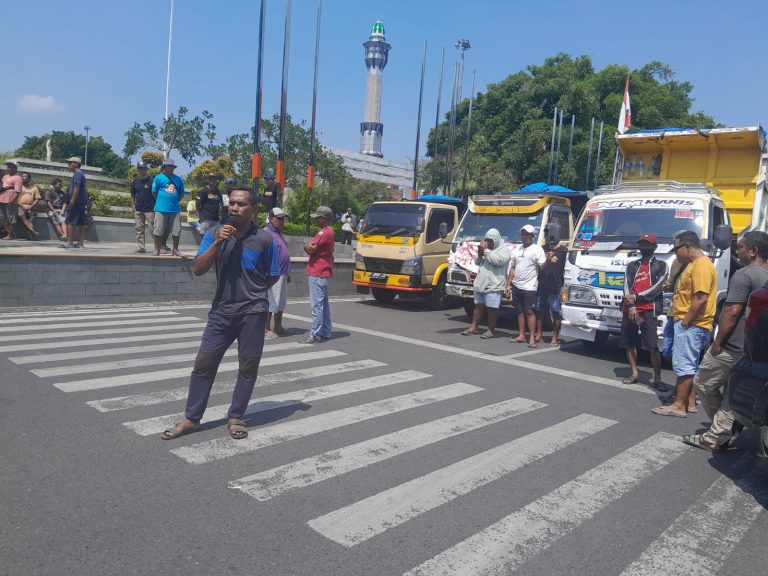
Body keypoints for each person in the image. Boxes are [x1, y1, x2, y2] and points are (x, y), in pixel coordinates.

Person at [161, 186, 280, 441]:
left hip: (253, 312)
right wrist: (217, 243)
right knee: (204, 364)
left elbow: (273, 274)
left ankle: (236, 416)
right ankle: (192, 419)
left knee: (248, 367)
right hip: (221, 312)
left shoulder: (265, 240)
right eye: (232, 203)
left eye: (241, 204)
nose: (235, 208)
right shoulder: (215, 233)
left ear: (254, 209)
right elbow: (198, 268)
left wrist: (253, 292)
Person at [683, 231, 768, 450]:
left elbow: (731, 311)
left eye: (740, 247)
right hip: (754, 350)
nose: (737, 251)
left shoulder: (743, 275)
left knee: (703, 383)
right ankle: (720, 433)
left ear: (752, 251)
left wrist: (718, 342)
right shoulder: (765, 275)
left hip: (732, 346)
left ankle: (724, 428)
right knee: (731, 391)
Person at [652, 230, 716, 417]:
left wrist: (686, 322)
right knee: (685, 363)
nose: (675, 253)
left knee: (686, 365)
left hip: (691, 324)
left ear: (687, 246)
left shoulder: (702, 266)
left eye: (676, 248)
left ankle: (679, 405)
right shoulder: (692, 264)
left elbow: (700, 297)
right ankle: (685, 401)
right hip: (687, 322)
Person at [619, 233, 668, 385]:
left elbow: (658, 287)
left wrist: (637, 297)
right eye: (642, 244)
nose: (644, 247)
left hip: (649, 309)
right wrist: (632, 306)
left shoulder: (661, 265)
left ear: (654, 247)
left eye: (647, 244)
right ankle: (634, 374)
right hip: (631, 310)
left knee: (652, 346)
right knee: (630, 344)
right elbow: (626, 286)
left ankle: (658, 378)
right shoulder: (632, 265)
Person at [461, 228, 510, 339]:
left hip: (494, 285)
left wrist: (486, 251)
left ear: (496, 240)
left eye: (490, 241)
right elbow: (477, 262)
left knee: (492, 309)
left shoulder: (504, 250)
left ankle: (490, 330)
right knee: (478, 307)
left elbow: (498, 261)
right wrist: (479, 253)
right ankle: (473, 327)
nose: (488, 243)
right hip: (481, 283)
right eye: (486, 240)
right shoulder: (486, 250)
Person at [505, 224, 546, 347]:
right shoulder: (517, 249)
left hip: (530, 286)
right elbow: (512, 267)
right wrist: (508, 284)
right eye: (522, 234)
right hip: (517, 285)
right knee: (520, 311)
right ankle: (521, 335)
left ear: (532, 236)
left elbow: (542, 266)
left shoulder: (537, 249)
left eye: (527, 234)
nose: (524, 237)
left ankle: (532, 338)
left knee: (530, 311)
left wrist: (547, 261)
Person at [302, 205, 335, 343]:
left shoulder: (323, 233)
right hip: (324, 271)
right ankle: (326, 331)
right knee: (323, 305)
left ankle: (315, 334)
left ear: (324, 219)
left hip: (318, 271)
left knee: (317, 305)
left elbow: (310, 248)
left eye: (318, 218)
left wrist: (306, 245)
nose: (316, 220)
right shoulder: (330, 231)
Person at [264, 207, 292, 339]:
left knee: (281, 301)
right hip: (274, 273)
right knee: (271, 301)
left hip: (283, 272)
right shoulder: (266, 233)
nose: (282, 221)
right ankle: (265, 328)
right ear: (270, 219)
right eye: (278, 218)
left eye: (283, 218)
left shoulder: (278, 233)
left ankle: (278, 325)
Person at [536, 231, 568, 346]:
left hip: (555, 285)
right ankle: (539, 334)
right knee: (539, 310)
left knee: (555, 312)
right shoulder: (542, 248)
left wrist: (563, 285)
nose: (549, 238)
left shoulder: (563, 250)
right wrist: (546, 257)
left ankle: (555, 336)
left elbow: (566, 267)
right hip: (542, 283)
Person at [151, 158, 185, 257]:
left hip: (174, 210)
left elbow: (181, 194)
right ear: (164, 167)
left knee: (176, 230)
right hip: (161, 209)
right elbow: (154, 192)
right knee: (158, 229)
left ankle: (175, 250)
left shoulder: (178, 179)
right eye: (167, 167)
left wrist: (174, 201)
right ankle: (157, 249)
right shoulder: (158, 178)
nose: (170, 168)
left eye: (171, 167)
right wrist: (161, 201)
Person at [62, 156, 89, 249]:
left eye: (70, 162)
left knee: (70, 221)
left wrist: (72, 201)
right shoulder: (80, 173)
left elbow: (76, 188)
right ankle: (80, 244)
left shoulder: (77, 173)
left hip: (77, 202)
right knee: (81, 223)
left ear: (77, 164)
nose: (68, 164)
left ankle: (69, 243)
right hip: (81, 201)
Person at [130, 162, 155, 253]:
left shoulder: (152, 180)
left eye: (142, 168)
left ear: (146, 169)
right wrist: (133, 205)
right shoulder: (135, 181)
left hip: (150, 209)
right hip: (139, 209)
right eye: (139, 168)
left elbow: (156, 193)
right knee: (139, 229)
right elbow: (133, 195)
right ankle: (141, 247)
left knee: (153, 229)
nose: (141, 170)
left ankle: (157, 246)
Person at [0, 160, 23, 240]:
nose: (8, 168)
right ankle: (8, 232)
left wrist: (11, 200)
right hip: (1, 199)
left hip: (10, 201)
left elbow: (18, 191)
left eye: (10, 166)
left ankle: (10, 235)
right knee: (1, 218)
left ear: (15, 168)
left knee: (11, 218)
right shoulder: (5, 177)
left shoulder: (18, 178)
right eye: (7, 166)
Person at [18, 172, 41, 240]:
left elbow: (37, 199)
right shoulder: (19, 186)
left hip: (31, 206)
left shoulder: (34, 188)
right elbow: (16, 198)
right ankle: (34, 232)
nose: (23, 178)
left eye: (25, 176)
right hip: (20, 206)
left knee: (30, 220)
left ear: (29, 178)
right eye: (22, 176)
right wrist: (22, 206)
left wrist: (31, 207)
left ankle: (32, 236)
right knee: (21, 214)